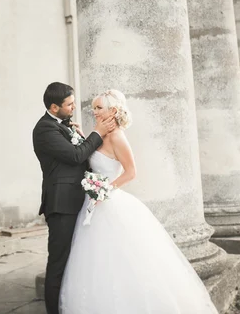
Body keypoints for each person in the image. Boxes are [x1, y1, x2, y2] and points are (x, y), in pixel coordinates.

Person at [58, 89, 218, 314]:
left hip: (110, 202)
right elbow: (91, 155)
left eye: (98, 108)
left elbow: (131, 172)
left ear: (113, 110)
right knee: (96, 261)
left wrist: (105, 190)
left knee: (124, 257)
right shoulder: (101, 134)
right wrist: (84, 135)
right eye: (93, 107)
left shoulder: (117, 136)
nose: (94, 111)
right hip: (94, 203)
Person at [32, 82, 116, 314]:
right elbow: (76, 156)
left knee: (74, 261)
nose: (73, 108)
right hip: (61, 205)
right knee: (58, 263)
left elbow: (81, 155)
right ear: (54, 107)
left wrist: (79, 136)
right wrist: (97, 133)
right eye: (69, 105)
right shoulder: (45, 129)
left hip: (77, 201)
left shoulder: (63, 125)